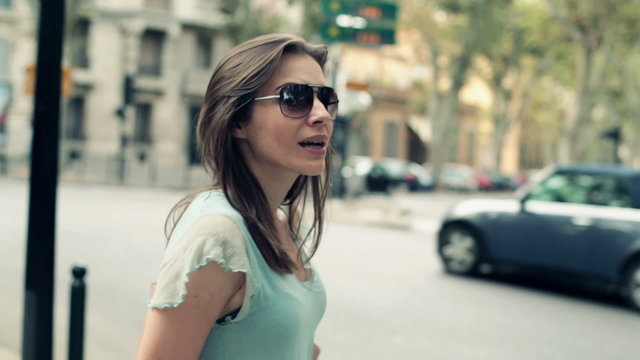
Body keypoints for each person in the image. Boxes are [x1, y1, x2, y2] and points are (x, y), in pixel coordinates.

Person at [136, 33, 338, 360]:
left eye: (325, 99)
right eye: (295, 98)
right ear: (238, 121)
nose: (321, 115)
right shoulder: (218, 238)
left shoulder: (281, 220)